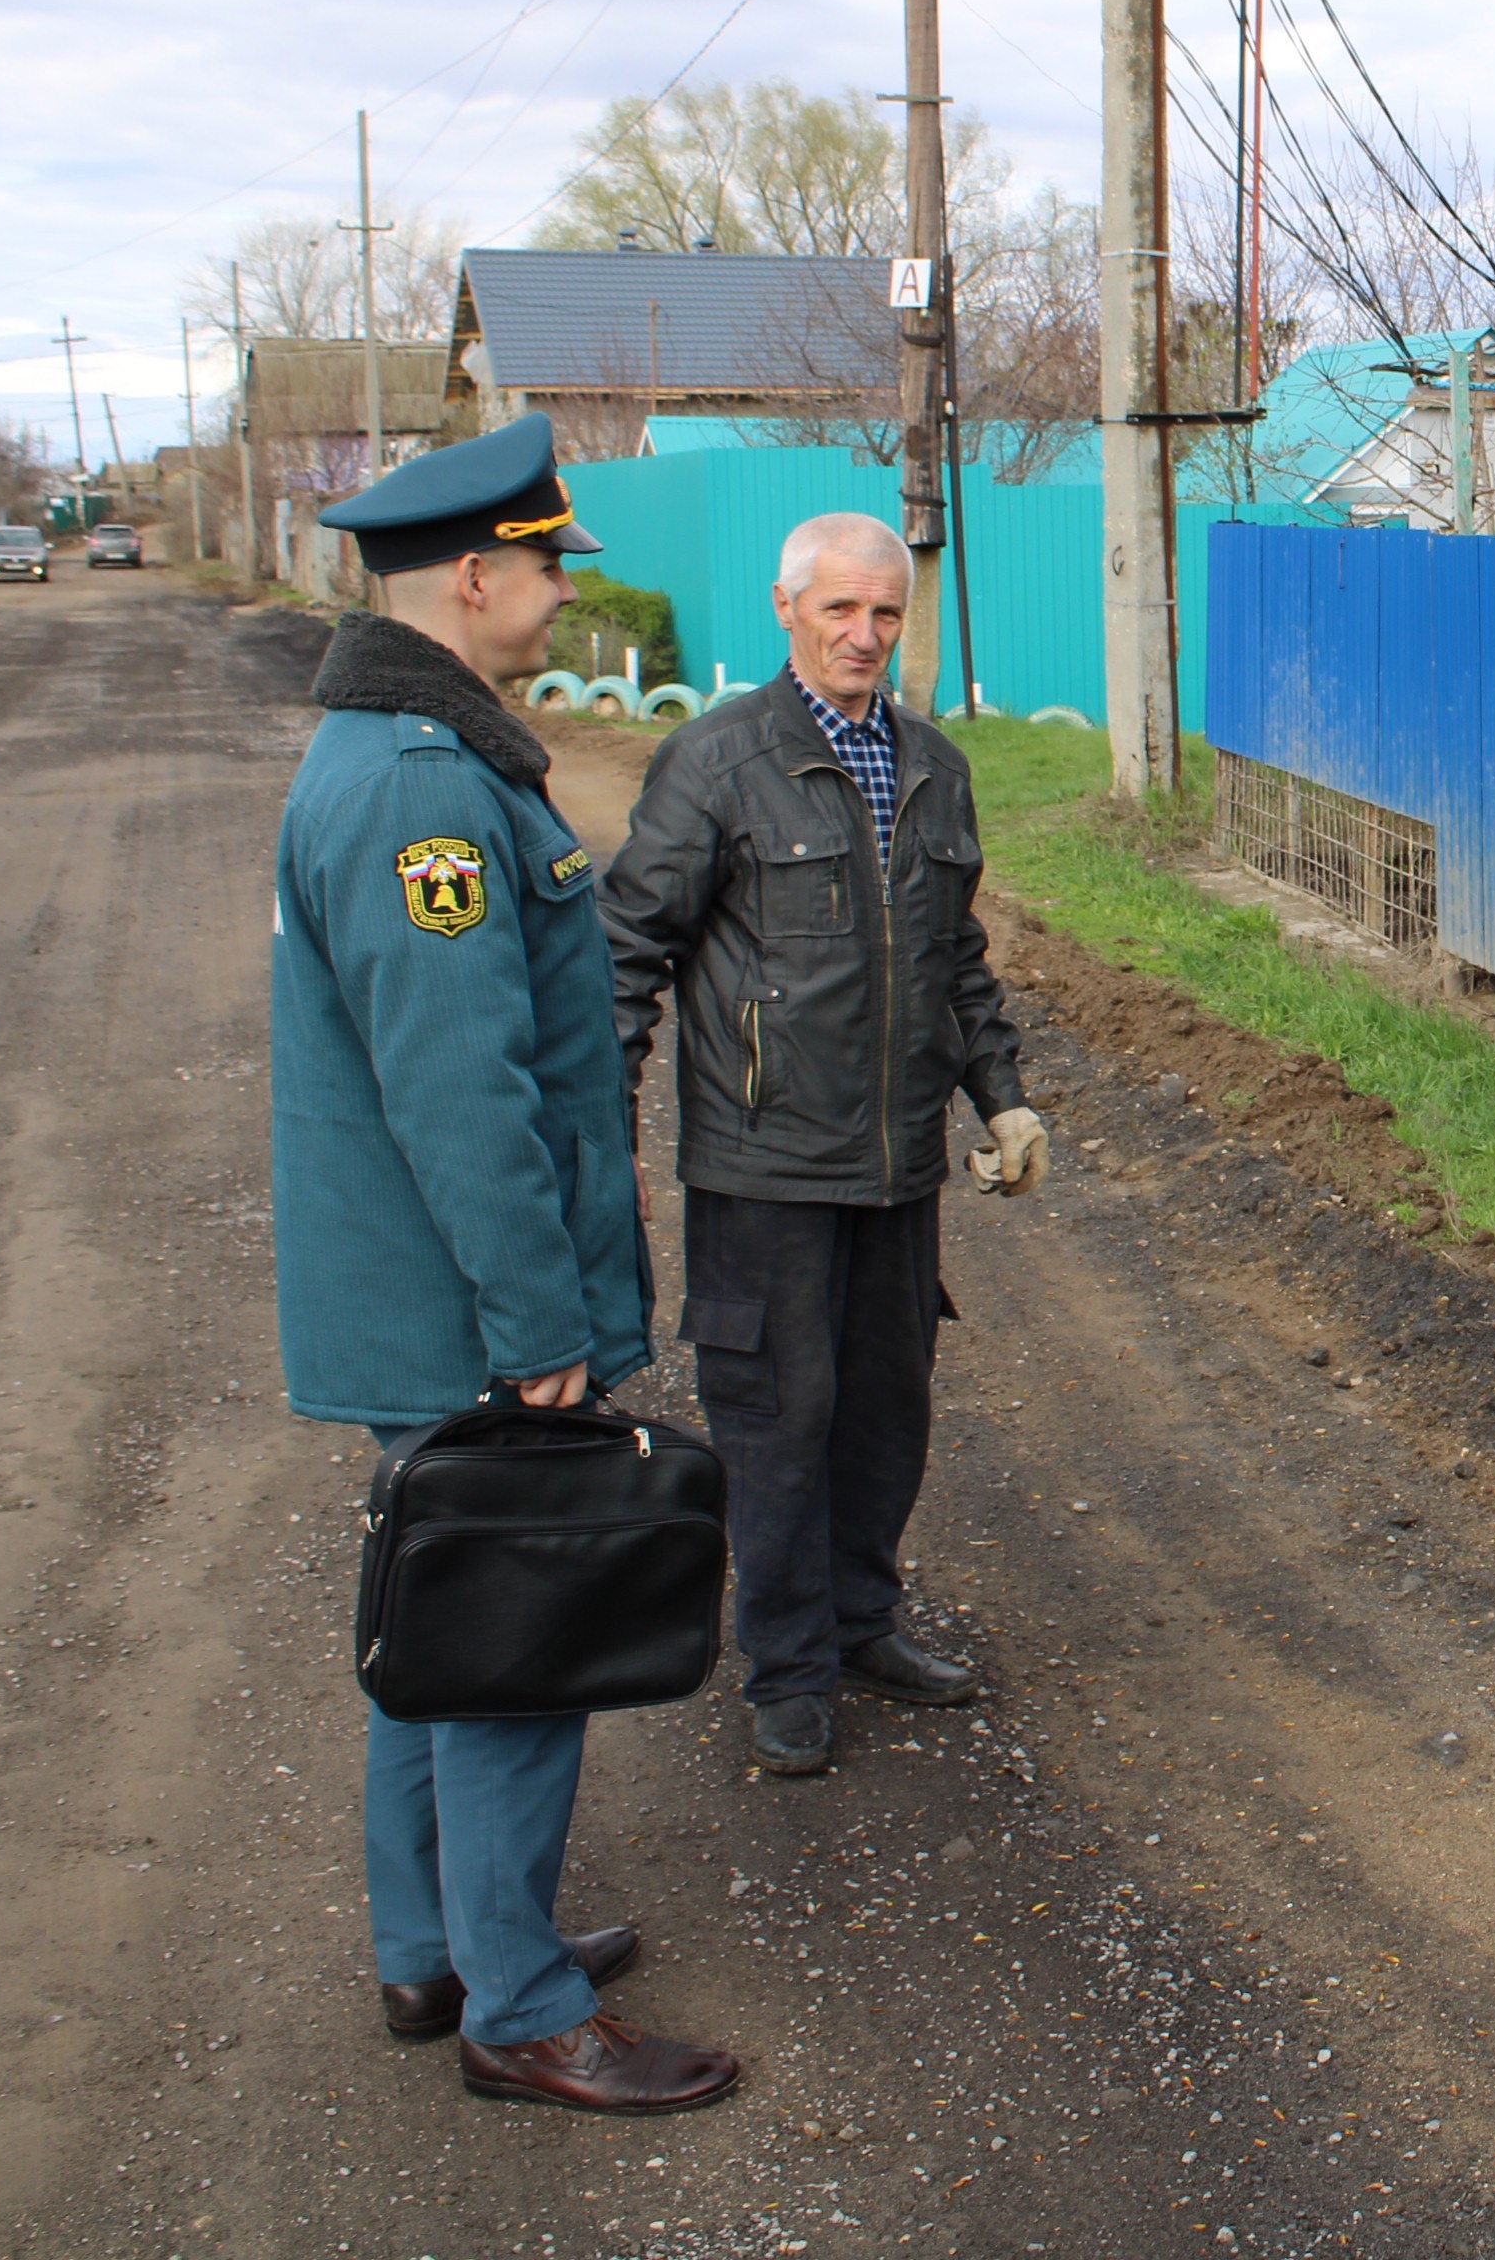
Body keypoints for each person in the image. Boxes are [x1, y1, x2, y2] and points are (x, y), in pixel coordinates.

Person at [269, 414, 741, 2116]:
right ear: (472, 577)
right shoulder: (416, 791)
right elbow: (456, 1093)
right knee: (513, 1641)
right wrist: (538, 1324)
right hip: (465, 1316)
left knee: (438, 1627)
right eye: (547, 566)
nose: (561, 595)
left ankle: (437, 1945)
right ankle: (519, 2005)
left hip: (425, 1308)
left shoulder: (416, 753)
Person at [603, 509, 1046, 1778]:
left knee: (883, 1420)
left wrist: (999, 1094)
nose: (865, 634)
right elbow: (630, 955)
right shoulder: (716, 762)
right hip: (763, 1171)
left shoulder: (932, 766)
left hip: (896, 1167)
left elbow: (953, 958)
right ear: (787, 608)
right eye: (841, 609)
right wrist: (603, 1139)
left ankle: (863, 1625)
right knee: (777, 1425)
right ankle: (787, 1669)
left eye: (887, 613)